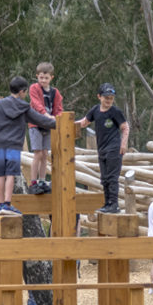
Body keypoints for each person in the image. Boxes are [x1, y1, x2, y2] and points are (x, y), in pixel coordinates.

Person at [0, 76, 57, 216]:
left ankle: (0, 206)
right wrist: (59, 123)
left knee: (0, 174)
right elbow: (41, 121)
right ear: (23, 92)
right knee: (10, 174)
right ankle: (7, 204)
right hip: (13, 146)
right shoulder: (24, 107)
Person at [75, 83, 129, 214]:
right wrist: (64, 123)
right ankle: (107, 203)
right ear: (99, 97)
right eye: (106, 97)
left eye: (111, 97)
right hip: (102, 149)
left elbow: (125, 127)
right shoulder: (95, 110)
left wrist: (123, 144)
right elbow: (83, 123)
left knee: (112, 177)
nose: (109, 100)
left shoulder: (115, 112)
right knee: (104, 178)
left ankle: (114, 204)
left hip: (114, 149)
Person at [28, 62, 63, 195]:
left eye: (46, 78)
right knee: (37, 153)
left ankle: (42, 181)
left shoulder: (55, 92)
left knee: (45, 154)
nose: (43, 80)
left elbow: (59, 109)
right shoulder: (34, 88)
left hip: (48, 126)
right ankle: (33, 182)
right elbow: (36, 104)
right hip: (36, 124)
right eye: (41, 77)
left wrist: (57, 118)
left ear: (51, 78)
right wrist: (47, 116)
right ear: (37, 76)